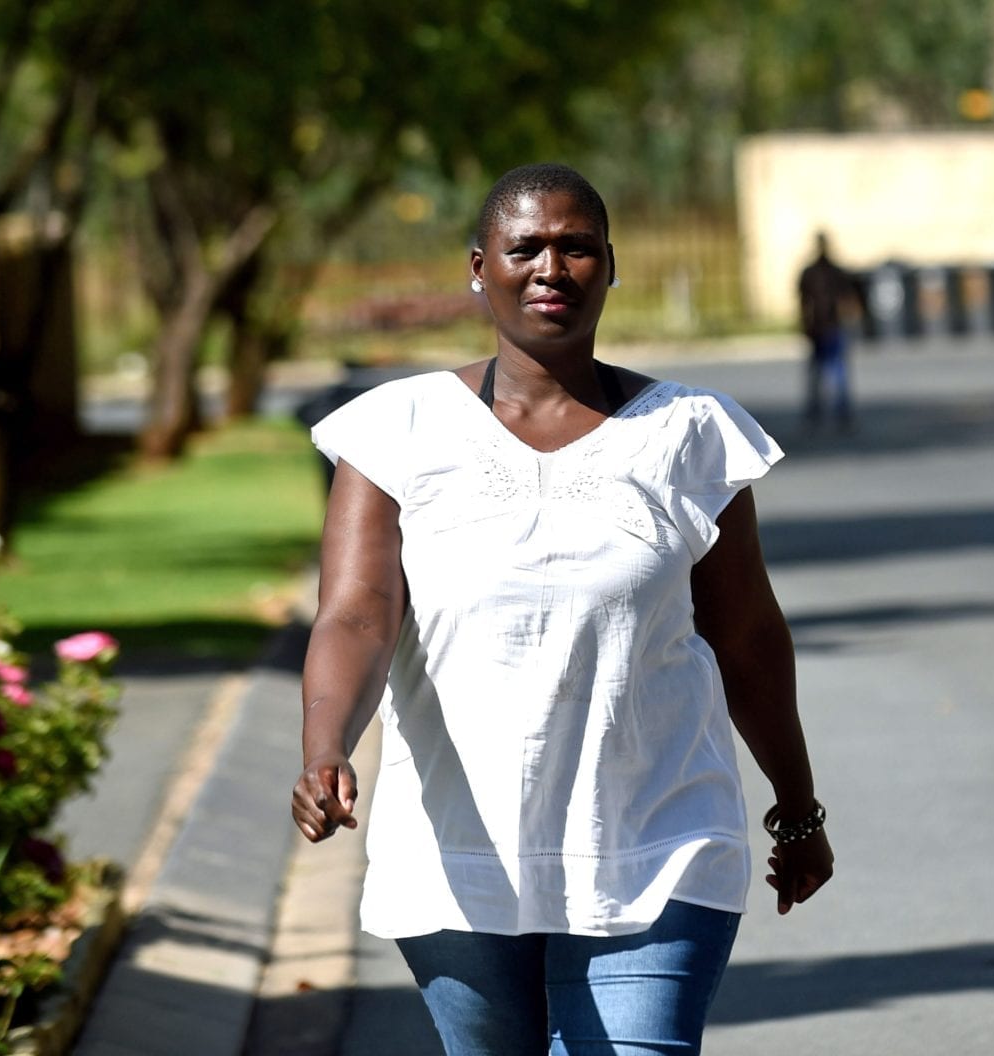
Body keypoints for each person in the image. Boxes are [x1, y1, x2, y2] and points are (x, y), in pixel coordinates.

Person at [290, 162, 833, 1056]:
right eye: (525, 248)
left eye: (577, 247)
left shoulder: (690, 432)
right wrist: (325, 750)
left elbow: (746, 634)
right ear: (479, 266)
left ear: (610, 266)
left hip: (657, 839)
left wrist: (798, 806)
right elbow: (356, 616)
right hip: (464, 852)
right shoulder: (396, 431)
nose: (552, 267)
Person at [796, 231, 859, 434]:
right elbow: (804, 302)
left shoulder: (832, 272)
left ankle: (840, 412)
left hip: (831, 327)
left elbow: (846, 300)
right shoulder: (814, 273)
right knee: (821, 372)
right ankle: (819, 412)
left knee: (835, 371)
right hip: (820, 328)